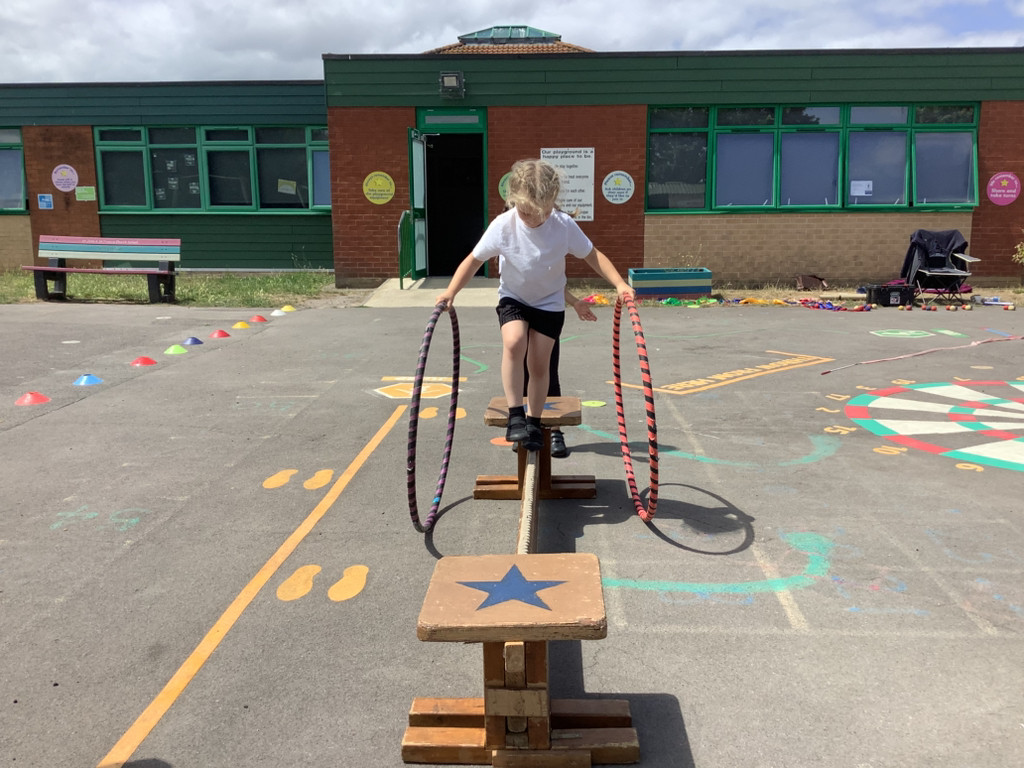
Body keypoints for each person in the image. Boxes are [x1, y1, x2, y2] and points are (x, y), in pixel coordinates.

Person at [436, 158, 634, 452]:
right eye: (524, 210)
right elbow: (473, 260)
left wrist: (619, 284)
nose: (530, 218)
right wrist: (451, 291)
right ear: (513, 200)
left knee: (540, 365)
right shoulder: (503, 226)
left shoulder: (563, 226)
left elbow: (593, 255)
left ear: (553, 202)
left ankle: (534, 422)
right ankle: (516, 414)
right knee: (514, 342)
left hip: (549, 303)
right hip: (514, 298)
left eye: (539, 212)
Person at [520, 288, 596, 458]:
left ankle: (555, 431)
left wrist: (574, 302)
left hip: (547, 312)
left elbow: (556, 283)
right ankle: (525, 426)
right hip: (518, 311)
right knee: (522, 373)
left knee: (548, 371)